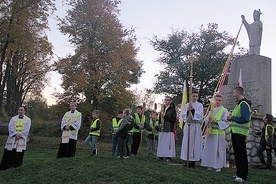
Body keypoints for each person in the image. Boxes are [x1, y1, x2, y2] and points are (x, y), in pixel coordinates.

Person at [227, 86, 252, 183]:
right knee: (237, 154)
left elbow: (245, 118)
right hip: (236, 131)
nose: (233, 95)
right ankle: (239, 173)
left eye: (234, 93)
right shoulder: (239, 104)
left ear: (238, 93)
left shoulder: (244, 104)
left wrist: (232, 118)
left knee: (241, 155)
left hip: (240, 133)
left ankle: (243, 175)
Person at [201, 94, 229, 172]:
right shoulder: (211, 110)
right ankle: (210, 164)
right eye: (216, 100)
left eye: (219, 100)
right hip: (211, 132)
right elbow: (206, 120)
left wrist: (216, 122)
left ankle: (218, 165)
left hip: (219, 133)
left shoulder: (224, 110)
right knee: (210, 149)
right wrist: (208, 120)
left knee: (218, 150)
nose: (218, 102)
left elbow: (226, 122)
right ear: (214, 101)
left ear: (222, 101)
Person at [180, 90, 204, 167]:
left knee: (194, 143)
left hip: (195, 126)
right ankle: (187, 159)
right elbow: (183, 115)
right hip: (188, 125)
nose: (195, 97)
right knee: (187, 142)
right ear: (191, 96)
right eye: (193, 96)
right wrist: (187, 111)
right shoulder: (187, 105)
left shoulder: (200, 105)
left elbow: (200, 116)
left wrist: (193, 110)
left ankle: (193, 161)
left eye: (196, 96)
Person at [156, 96, 176, 162]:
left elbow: (173, 119)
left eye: (168, 100)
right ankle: (161, 155)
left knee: (168, 143)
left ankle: (168, 156)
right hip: (162, 127)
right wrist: (159, 123)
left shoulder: (172, 109)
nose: (166, 101)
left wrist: (165, 117)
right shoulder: (162, 108)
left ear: (170, 101)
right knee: (162, 142)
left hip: (169, 128)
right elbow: (160, 117)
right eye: (165, 100)